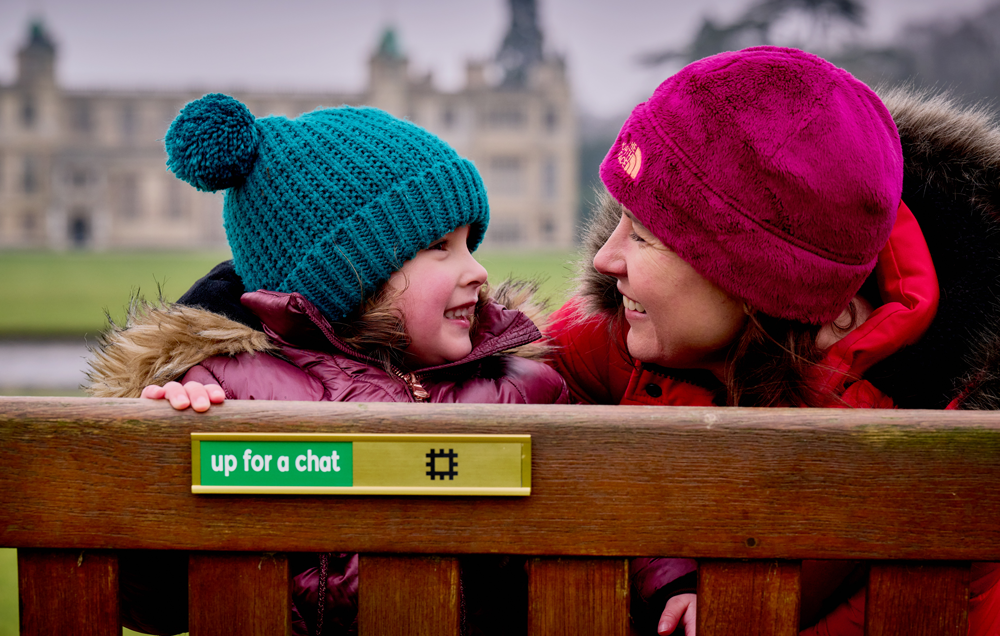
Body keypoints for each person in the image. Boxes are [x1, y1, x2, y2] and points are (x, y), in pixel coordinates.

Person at [546, 46, 1000, 635]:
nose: (607, 259)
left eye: (647, 237)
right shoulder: (617, 330)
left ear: (769, 289)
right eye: (623, 222)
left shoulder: (961, 472)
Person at [87, 92, 568, 636]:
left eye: (468, 244)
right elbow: (151, 607)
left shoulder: (523, 387)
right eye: (440, 246)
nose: (477, 270)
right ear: (348, 276)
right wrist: (163, 459)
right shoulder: (229, 394)